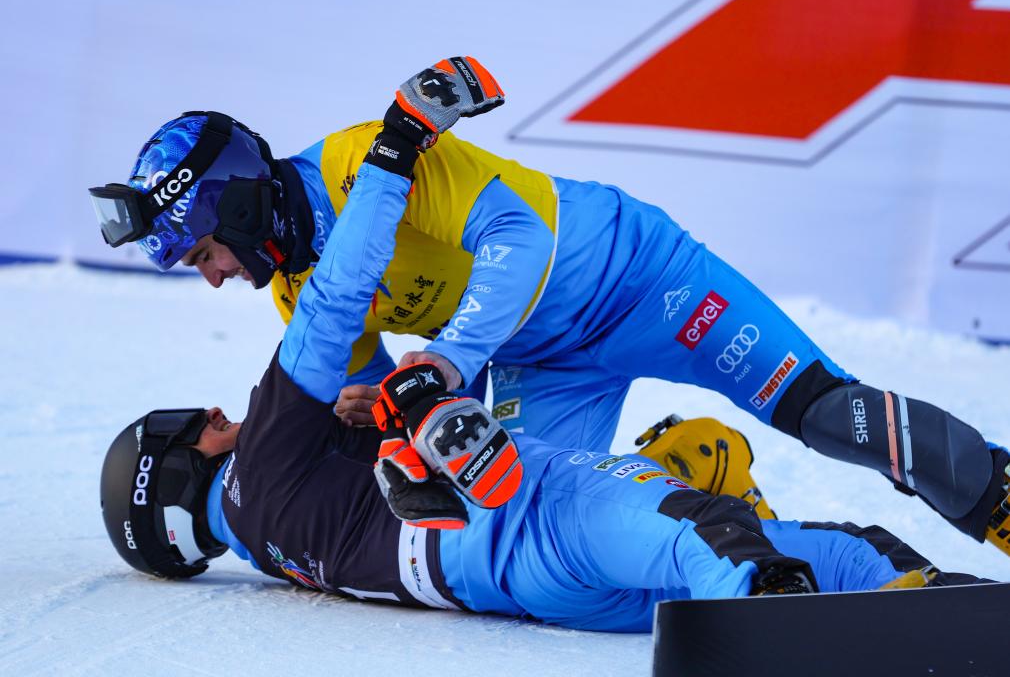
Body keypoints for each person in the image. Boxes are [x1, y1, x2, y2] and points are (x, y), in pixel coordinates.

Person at [88, 57, 1010, 558]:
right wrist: (360, 426)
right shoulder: (299, 290)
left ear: (233, 209)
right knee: (538, 518)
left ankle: (999, 505)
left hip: (642, 280)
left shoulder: (363, 161)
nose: (214, 278)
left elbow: (520, 237)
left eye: (204, 254)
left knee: (826, 411)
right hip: (542, 360)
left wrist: (448, 362)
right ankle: (702, 471)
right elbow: (383, 414)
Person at [99, 155, 987, 632]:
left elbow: (370, 433)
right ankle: (848, 602)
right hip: (530, 513)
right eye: (201, 424)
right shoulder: (266, 453)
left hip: (522, 591)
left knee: (701, 548)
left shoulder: (270, 547)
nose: (220, 414)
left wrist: (382, 408)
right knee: (709, 535)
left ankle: (912, 598)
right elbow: (333, 299)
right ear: (186, 460)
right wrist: (396, 150)